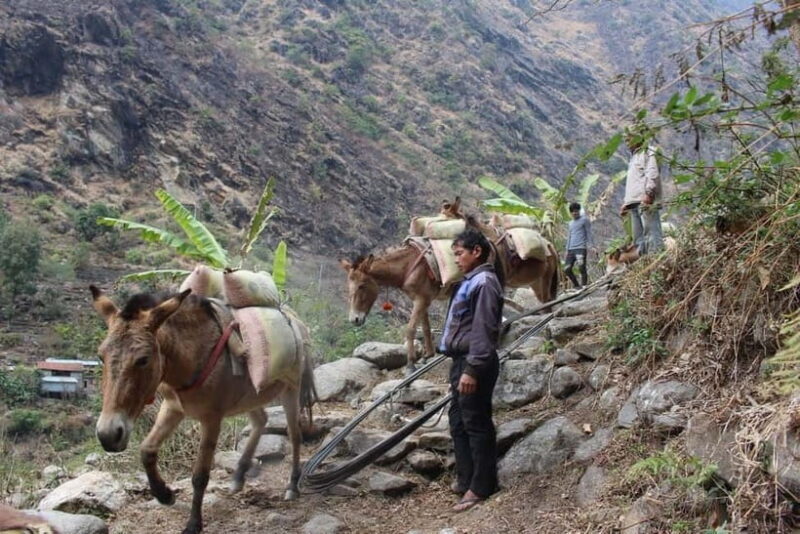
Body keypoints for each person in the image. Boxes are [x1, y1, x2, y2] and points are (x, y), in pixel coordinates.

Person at [438, 228, 503, 512]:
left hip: (474, 362)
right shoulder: (471, 281)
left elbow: (484, 329)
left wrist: (473, 369)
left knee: (476, 423)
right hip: (461, 361)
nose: (457, 260)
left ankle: (481, 486)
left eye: (460, 254)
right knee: (458, 421)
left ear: (477, 252)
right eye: (454, 255)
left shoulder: (485, 283)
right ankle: (466, 478)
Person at [621, 132, 664, 255]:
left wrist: (649, 193)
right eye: (626, 140)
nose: (627, 142)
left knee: (651, 233)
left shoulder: (649, 151)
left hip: (644, 200)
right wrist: (626, 202)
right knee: (639, 239)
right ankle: (645, 265)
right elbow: (634, 181)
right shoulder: (634, 156)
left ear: (638, 137)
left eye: (629, 139)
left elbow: (652, 173)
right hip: (633, 203)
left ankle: (658, 260)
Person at [564, 202, 593, 288]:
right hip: (571, 249)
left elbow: (589, 233)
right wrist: (567, 249)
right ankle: (577, 286)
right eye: (572, 211)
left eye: (576, 211)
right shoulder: (570, 223)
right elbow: (569, 236)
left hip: (581, 248)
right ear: (570, 213)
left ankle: (584, 286)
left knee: (581, 268)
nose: (574, 213)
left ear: (579, 211)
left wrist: (592, 246)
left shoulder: (585, 220)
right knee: (567, 269)